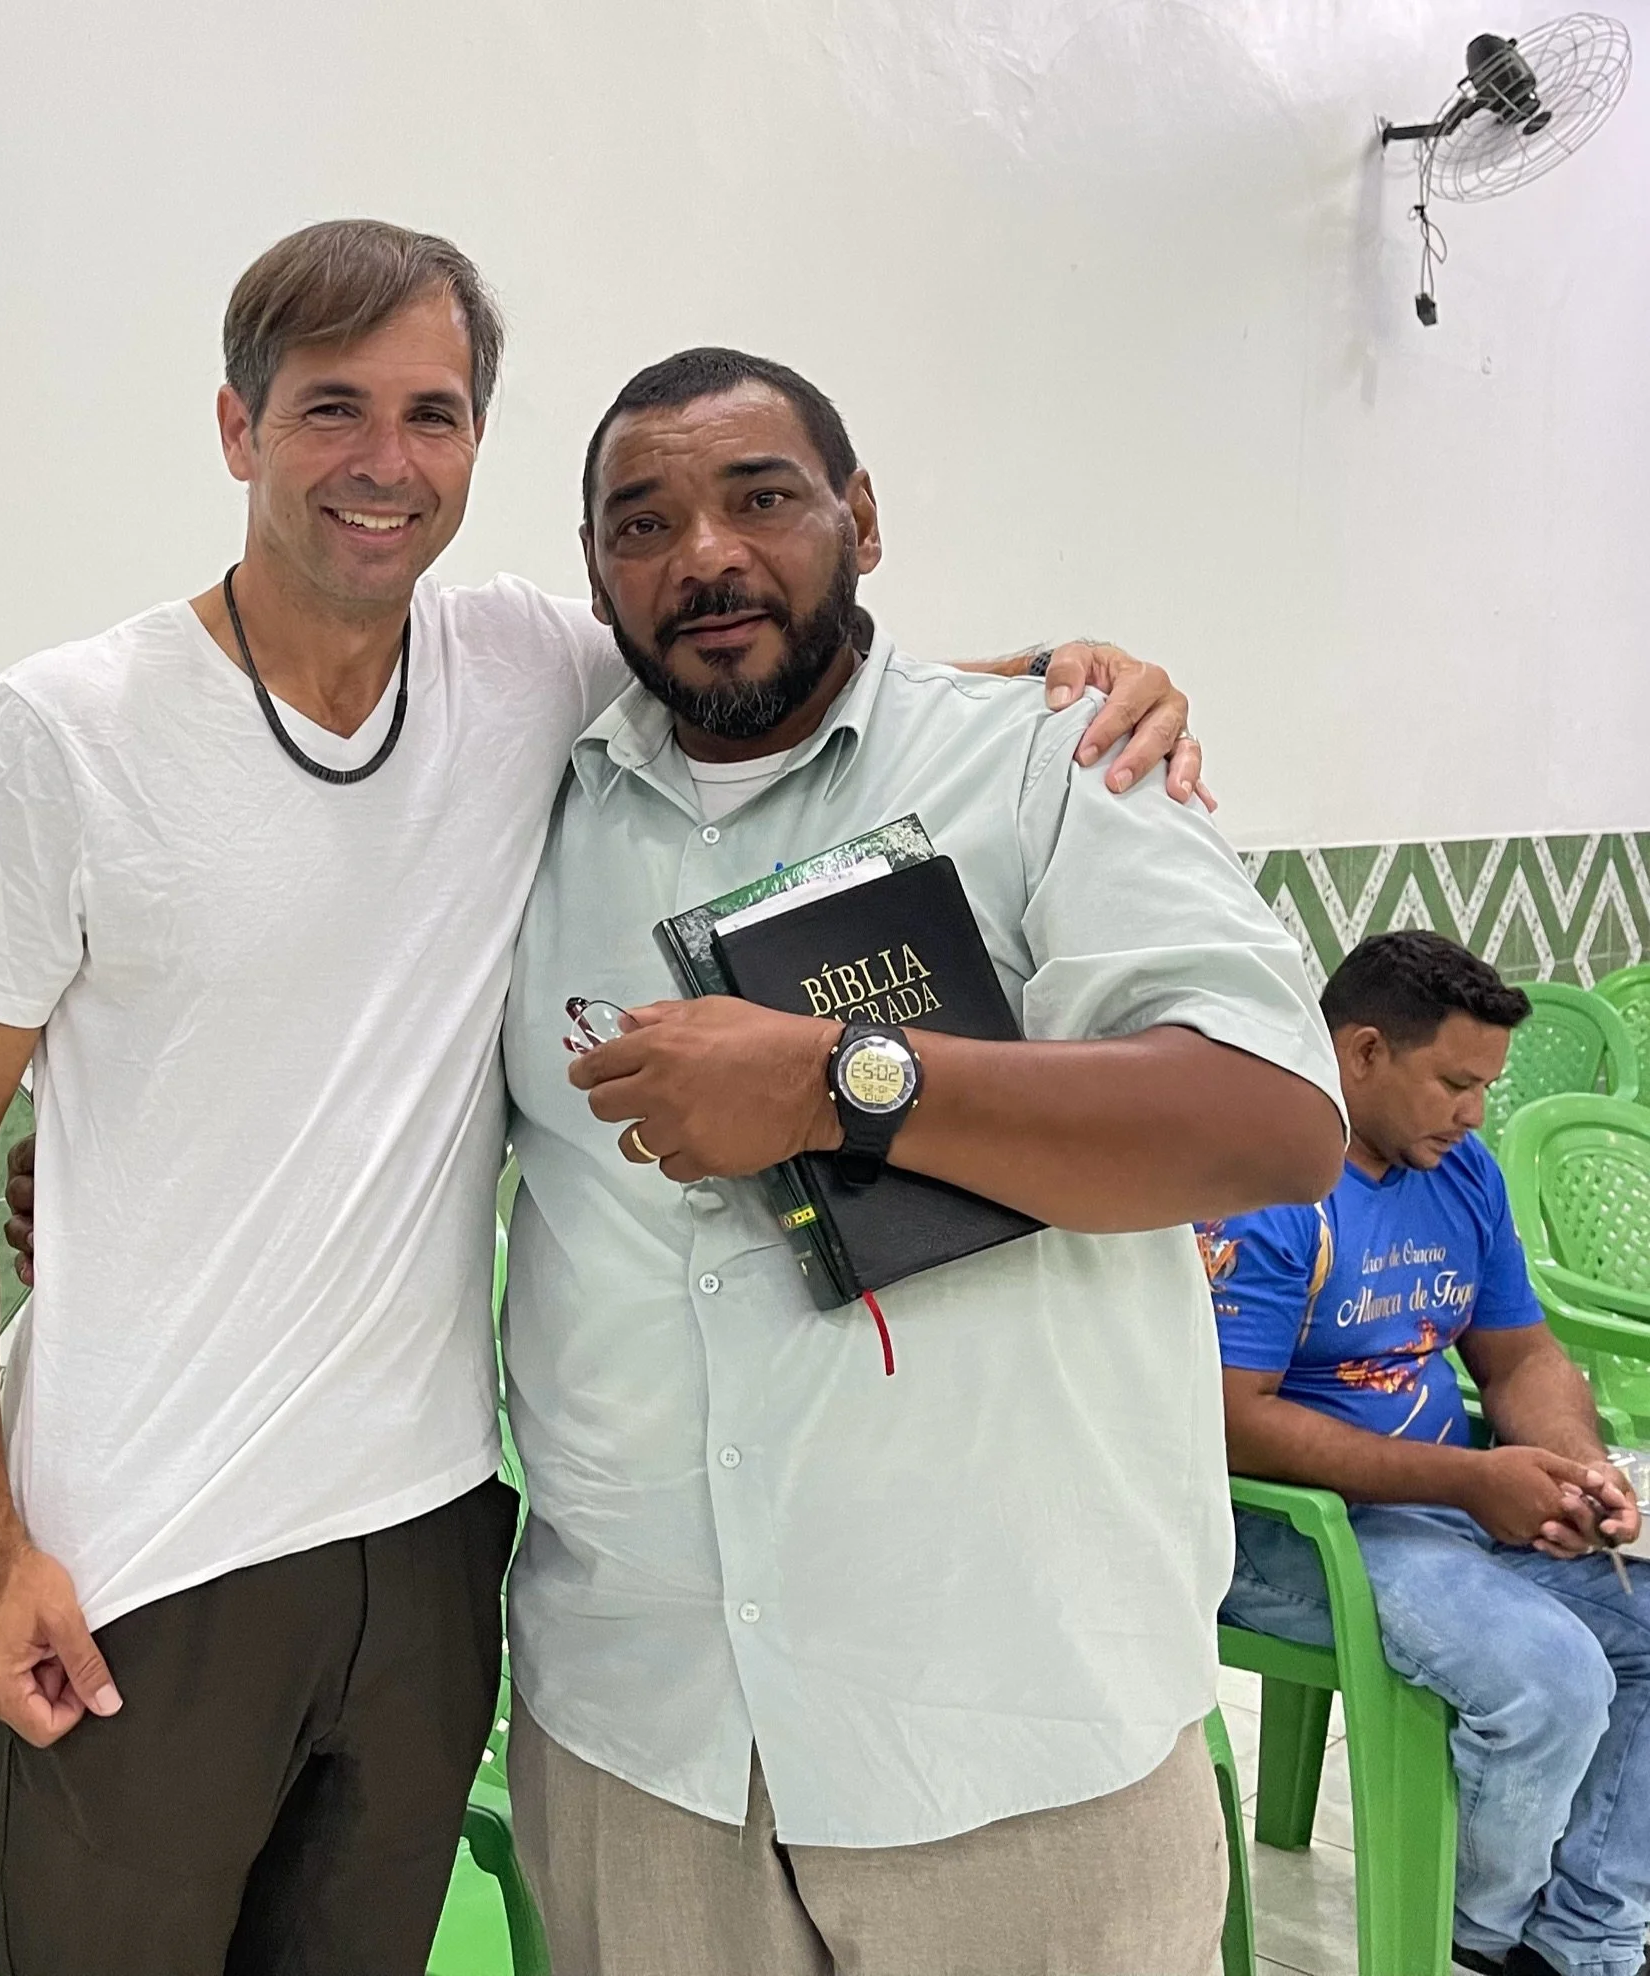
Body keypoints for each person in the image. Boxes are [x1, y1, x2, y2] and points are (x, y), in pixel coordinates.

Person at [0, 219, 1202, 1975]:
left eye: (430, 413)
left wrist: (1064, 679)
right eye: (331, 408)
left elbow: (767, 652)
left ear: (476, 444)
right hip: (147, 1552)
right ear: (237, 427)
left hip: (432, 1539)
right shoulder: (65, 730)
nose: (384, 460)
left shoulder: (521, 671)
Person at [484, 345, 1349, 1976]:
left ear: (860, 519)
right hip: (642, 1737)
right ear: (595, 578)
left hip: (1009, 1729)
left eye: (760, 499)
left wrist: (843, 1082)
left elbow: (1272, 1120)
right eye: (642, 524)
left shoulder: (1046, 766)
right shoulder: (536, 814)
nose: (705, 555)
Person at [1204, 930, 1647, 1976]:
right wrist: (1469, 1480)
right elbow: (1230, 1422)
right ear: (1361, 1051)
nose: (1475, 1113)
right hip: (1287, 1531)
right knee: (1549, 1678)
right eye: (1455, 1083)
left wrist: (1577, 1467)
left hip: (1441, 1509)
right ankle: (1480, 1930)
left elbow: (1520, 1353)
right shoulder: (1271, 1185)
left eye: (1485, 1086)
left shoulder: (1459, 1172)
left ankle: (1584, 1938)